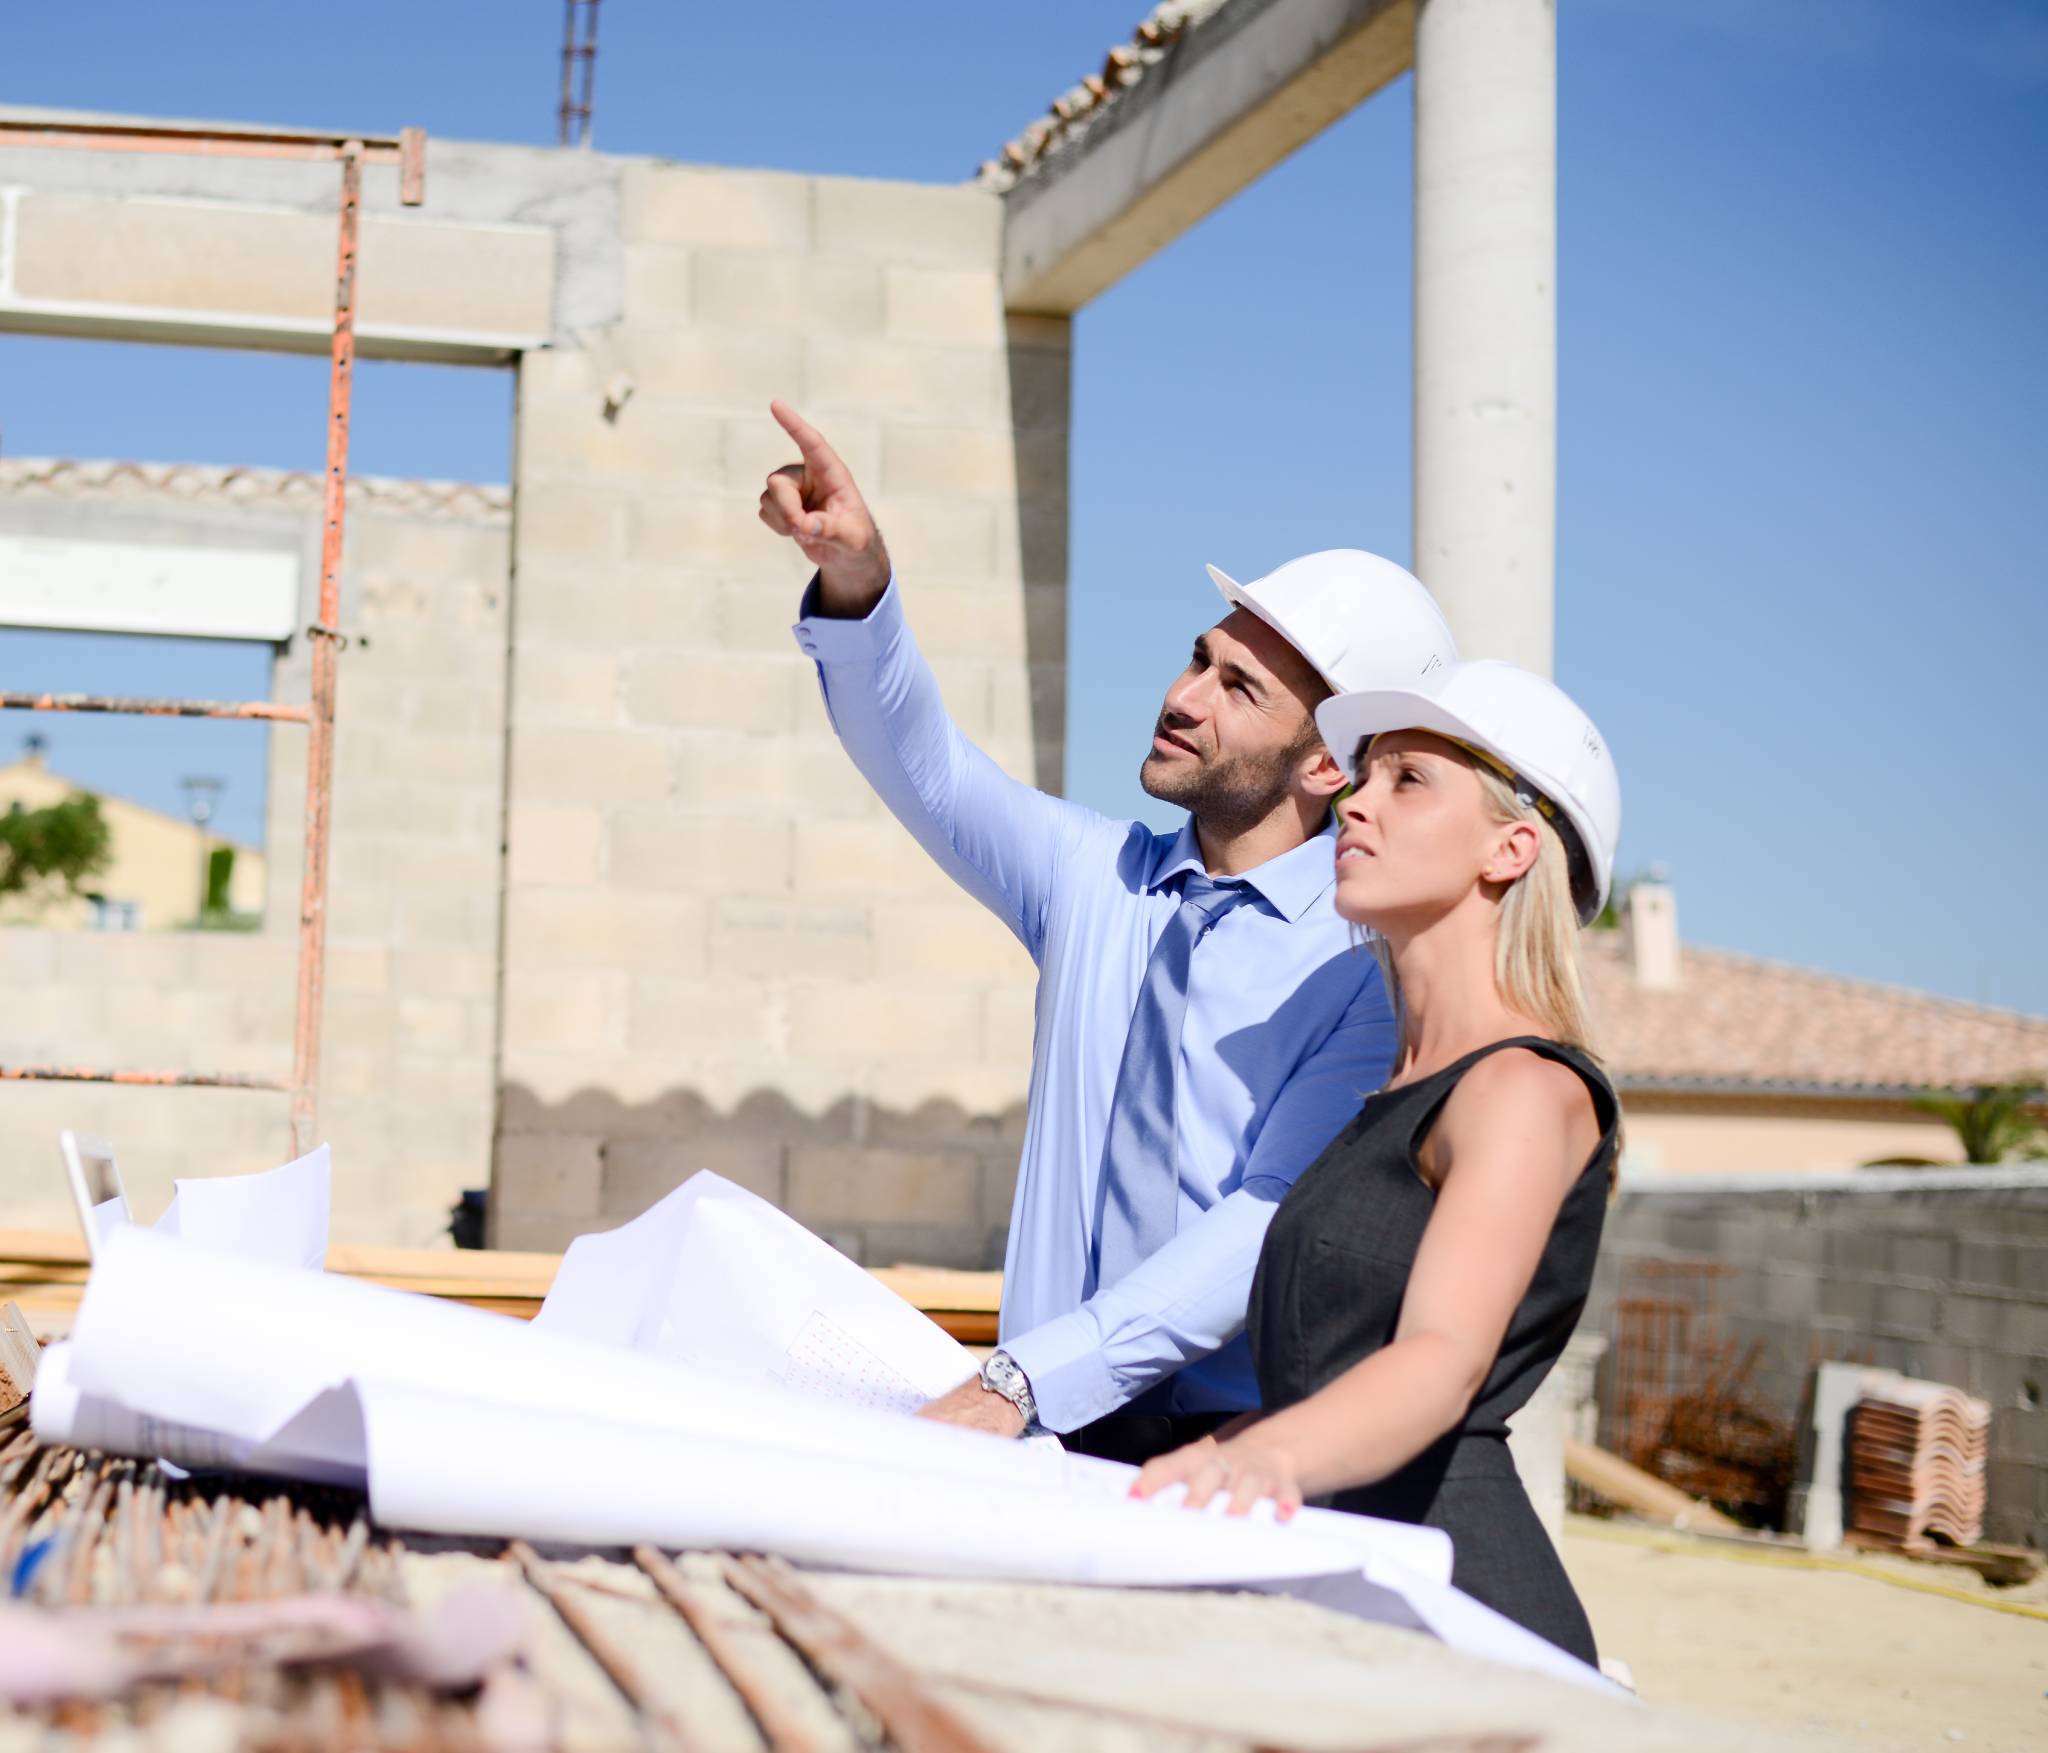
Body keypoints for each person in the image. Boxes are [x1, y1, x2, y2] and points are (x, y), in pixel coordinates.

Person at [757, 400, 1457, 1464]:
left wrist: (1017, 1377)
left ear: (1326, 765)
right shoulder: (1092, 878)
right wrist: (857, 581)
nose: (1180, 697)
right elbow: (924, 762)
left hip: (1221, 1455)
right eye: (1195, 658)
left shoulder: (1364, 975)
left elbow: (1261, 1220)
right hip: (1038, 1433)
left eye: (1236, 687)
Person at [1132, 658, 1623, 1665]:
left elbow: (1438, 1365)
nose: (1354, 805)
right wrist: (1175, 1470)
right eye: (1363, 777)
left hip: (1464, 1620)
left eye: (1407, 780)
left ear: (1510, 846)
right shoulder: (1388, 1095)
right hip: (1353, 1584)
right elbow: (1331, 1381)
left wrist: (1261, 1455)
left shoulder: (1523, 1091)